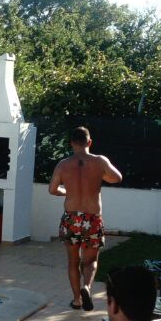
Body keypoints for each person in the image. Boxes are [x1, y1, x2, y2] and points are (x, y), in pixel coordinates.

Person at [49, 127, 122, 310]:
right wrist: (100, 175)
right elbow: (117, 178)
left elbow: (52, 189)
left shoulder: (63, 165)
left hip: (71, 218)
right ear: (89, 142)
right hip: (92, 219)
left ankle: (76, 300)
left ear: (71, 143)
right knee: (91, 261)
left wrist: (67, 191)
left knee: (73, 262)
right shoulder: (100, 161)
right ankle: (87, 287)